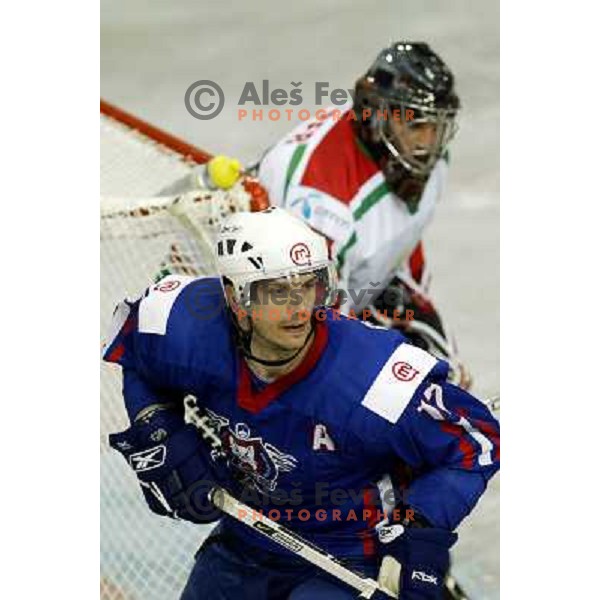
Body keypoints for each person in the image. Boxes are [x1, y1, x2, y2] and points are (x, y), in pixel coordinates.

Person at [104, 207, 499, 599]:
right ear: (235, 297)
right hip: (247, 539)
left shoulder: (372, 377)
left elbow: (477, 442)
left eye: (308, 285)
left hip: (351, 555)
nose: (299, 308)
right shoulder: (187, 329)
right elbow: (137, 353)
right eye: (277, 290)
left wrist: (418, 526)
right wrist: (158, 424)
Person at [258, 42, 470, 388]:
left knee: (439, 374)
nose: (428, 143)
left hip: (336, 291)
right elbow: (302, 339)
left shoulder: (421, 159)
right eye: (416, 124)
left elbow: (402, 244)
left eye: (437, 125)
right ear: (377, 117)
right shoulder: (323, 205)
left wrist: (439, 357)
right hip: (267, 306)